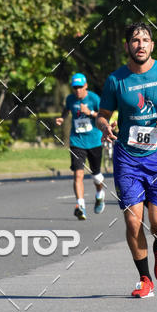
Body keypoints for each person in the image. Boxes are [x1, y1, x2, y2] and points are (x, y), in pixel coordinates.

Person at [96, 22, 157, 298]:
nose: (140, 44)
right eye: (135, 40)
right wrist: (105, 126)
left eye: (145, 40)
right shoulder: (116, 79)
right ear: (127, 46)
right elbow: (102, 113)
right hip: (127, 159)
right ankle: (144, 279)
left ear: (152, 45)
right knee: (132, 222)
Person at [55, 72, 105, 220]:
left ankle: (99, 194)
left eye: (80, 87)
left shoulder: (94, 98)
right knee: (78, 174)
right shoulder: (70, 99)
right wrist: (62, 118)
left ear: (86, 86)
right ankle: (81, 206)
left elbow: (104, 116)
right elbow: (67, 109)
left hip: (94, 141)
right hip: (77, 142)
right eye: (75, 87)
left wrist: (90, 112)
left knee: (96, 175)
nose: (77, 90)